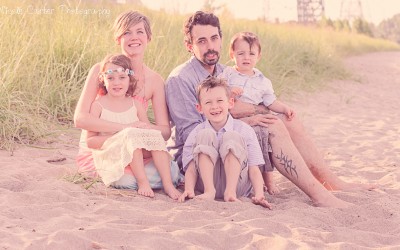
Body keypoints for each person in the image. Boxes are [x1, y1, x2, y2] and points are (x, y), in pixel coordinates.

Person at [166, 10, 372, 208]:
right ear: (189, 45)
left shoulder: (225, 71)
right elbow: (190, 134)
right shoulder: (180, 79)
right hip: (200, 164)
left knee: (284, 118)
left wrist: (260, 112)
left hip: (228, 143)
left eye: (214, 38)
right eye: (201, 41)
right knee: (273, 126)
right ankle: (320, 196)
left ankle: (330, 181)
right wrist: (247, 122)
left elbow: (240, 106)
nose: (210, 46)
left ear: (221, 39)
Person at [74, 11, 182, 197]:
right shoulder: (101, 71)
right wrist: (125, 129)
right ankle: (135, 179)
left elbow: (164, 131)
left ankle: (145, 178)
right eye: (127, 33)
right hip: (103, 146)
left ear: (148, 37)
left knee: (171, 173)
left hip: (137, 149)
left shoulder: (154, 80)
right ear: (118, 38)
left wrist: (142, 131)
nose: (134, 38)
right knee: (125, 178)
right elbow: (81, 119)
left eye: (139, 32)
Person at [86, 54, 181, 199]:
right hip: (114, 154)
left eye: (122, 77)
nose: (116, 82)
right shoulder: (98, 105)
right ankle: (143, 182)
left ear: (130, 79)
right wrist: (122, 135)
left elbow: (145, 132)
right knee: (130, 138)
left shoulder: (135, 104)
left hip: (138, 155)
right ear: (103, 80)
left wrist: (144, 130)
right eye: (110, 78)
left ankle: (167, 184)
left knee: (151, 135)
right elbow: (90, 141)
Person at [219, 31, 295, 195]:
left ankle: (269, 180)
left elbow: (270, 101)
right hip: (237, 120)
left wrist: (284, 109)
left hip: (257, 119)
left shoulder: (262, 81)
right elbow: (219, 92)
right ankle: (253, 181)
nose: (246, 57)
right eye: (241, 53)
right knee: (249, 148)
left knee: (266, 144)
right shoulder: (228, 74)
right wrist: (230, 90)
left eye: (251, 54)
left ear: (258, 56)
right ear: (232, 55)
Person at [178, 77, 271, 209]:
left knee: (232, 136)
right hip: (204, 184)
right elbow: (191, 168)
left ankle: (230, 192)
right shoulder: (197, 132)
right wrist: (189, 189)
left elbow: (254, 168)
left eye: (220, 101)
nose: (214, 106)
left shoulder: (244, 130)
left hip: (238, 185)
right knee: (205, 135)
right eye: (208, 102)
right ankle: (209, 191)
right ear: (199, 108)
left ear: (230, 103)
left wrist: (259, 194)